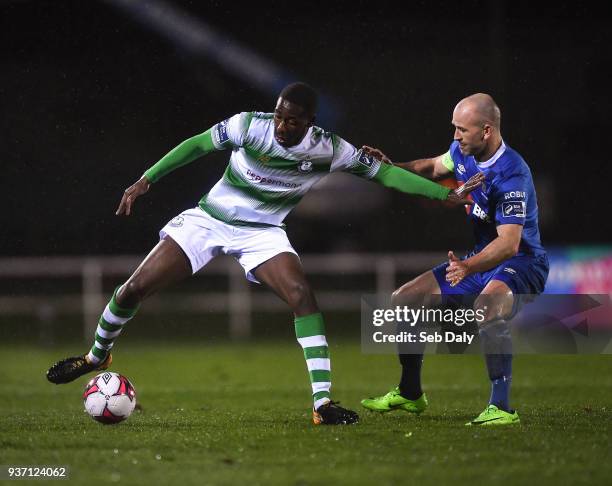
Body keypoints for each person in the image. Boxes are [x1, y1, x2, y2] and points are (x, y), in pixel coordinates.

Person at [46, 82, 481, 426]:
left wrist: (444, 197)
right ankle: (97, 356)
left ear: (309, 122)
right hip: (210, 218)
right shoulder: (247, 126)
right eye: (279, 115)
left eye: (292, 121)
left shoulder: (329, 148)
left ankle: (322, 403)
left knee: (302, 297)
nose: (281, 125)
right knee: (134, 288)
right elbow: (197, 144)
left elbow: (387, 177)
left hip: (263, 232)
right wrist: (147, 179)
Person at [360, 93, 549, 425]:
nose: (456, 136)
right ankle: (410, 393)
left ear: (487, 131)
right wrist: (387, 169)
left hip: (523, 262)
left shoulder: (511, 174)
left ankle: (501, 408)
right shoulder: (463, 153)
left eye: (462, 129)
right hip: (481, 259)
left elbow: (508, 244)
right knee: (405, 299)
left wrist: (467, 267)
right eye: (454, 128)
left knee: (486, 308)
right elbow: (431, 168)